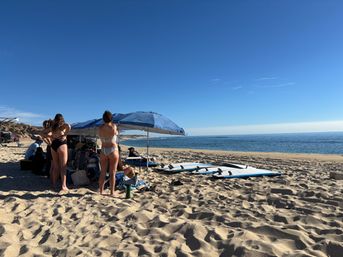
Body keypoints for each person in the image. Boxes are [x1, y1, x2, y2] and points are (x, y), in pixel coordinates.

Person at [98, 110, 119, 196]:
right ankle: (112, 192)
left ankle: (101, 191)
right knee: (112, 172)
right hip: (112, 149)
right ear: (111, 118)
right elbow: (115, 133)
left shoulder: (100, 128)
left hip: (103, 149)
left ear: (103, 119)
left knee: (102, 172)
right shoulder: (113, 126)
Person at [49, 114, 71, 192]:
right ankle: (63, 186)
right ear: (62, 119)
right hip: (61, 144)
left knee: (56, 166)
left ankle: (53, 185)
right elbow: (69, 126)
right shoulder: (62, 126)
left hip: (53, 144)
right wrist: (65, 134)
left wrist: (52, 137)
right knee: (63, 167)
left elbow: (43, 133)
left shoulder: (53, 127)